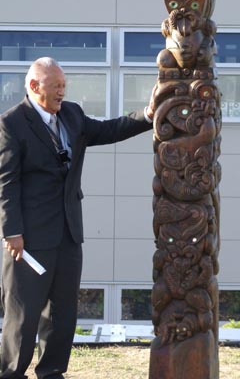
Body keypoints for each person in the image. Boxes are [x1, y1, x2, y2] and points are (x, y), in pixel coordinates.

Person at [0, 57, 157, 379]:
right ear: (34, 86)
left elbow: (108, 129)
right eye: (56, 86)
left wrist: (148, 114)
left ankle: (52, 372)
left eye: (64, 86)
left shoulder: (71, 114)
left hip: (69, 234)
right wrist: (11, 231)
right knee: (23, 316)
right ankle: (11, 373)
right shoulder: (11, 124)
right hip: (27, 240)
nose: (62, 92)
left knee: (62, 314)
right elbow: (6, 182)